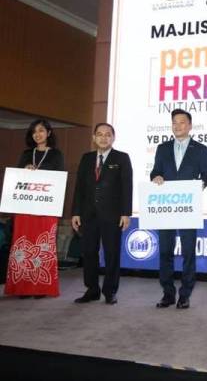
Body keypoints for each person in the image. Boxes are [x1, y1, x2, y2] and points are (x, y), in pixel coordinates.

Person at [150, 109, 207, 309]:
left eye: (182, 122)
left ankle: (185, 295)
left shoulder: (200, 149)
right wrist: (156, 177)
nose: (177, 126)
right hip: (166, 207)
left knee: (188, 252)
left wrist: (200, 184)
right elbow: (155, 171)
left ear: (190, 125)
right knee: (165, 251)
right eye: (174, 122)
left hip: (188, 207)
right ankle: (167, 294)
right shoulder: (162, 148)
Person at [71, 123, 132, 305]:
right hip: (88, 215)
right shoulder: (87, 158)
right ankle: (92, 290)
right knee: (89, 252)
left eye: (107, 134)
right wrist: (76, 212)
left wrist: (125, 213)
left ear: (113, 138)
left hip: (112, 215)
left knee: (112, 254)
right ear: (94, 138)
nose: (103, 138)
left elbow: (126, 187)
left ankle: (110, 291)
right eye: (99, 134)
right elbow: (79, 187)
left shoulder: (122, 158)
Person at [4, 119, 65, 298]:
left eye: (41, 130)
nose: (37, 134)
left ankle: (41, 287)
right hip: (25, 208)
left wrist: (41, 172)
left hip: (46, 207)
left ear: (49, 133)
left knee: (42, 245)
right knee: (23, 243)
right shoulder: (26, 154)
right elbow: (17, 178)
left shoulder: (56, 154)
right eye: (34, 132)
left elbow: (60, 178)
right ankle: (22, 287)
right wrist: (25, 169)